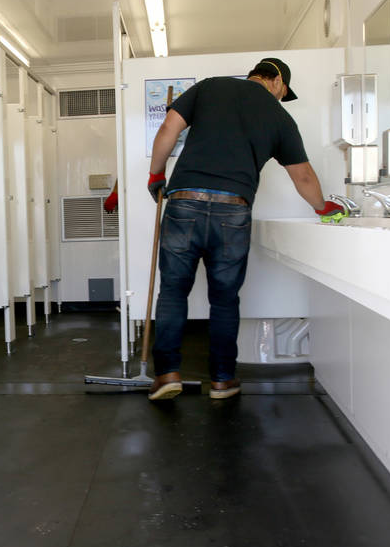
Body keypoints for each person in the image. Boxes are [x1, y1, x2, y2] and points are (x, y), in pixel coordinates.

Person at [145, 58, 344, 401]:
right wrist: (324, 208)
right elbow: (304, 177)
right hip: (233, 211)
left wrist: (156, 175)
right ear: (277, 81)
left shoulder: (210, 87)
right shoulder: (279, 116)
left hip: (184, 203)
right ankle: (222, 380)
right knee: (224, 301)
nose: (281, 98)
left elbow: (167, 130)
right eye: (284, 92)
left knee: (173, 292)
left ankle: (167, 375)